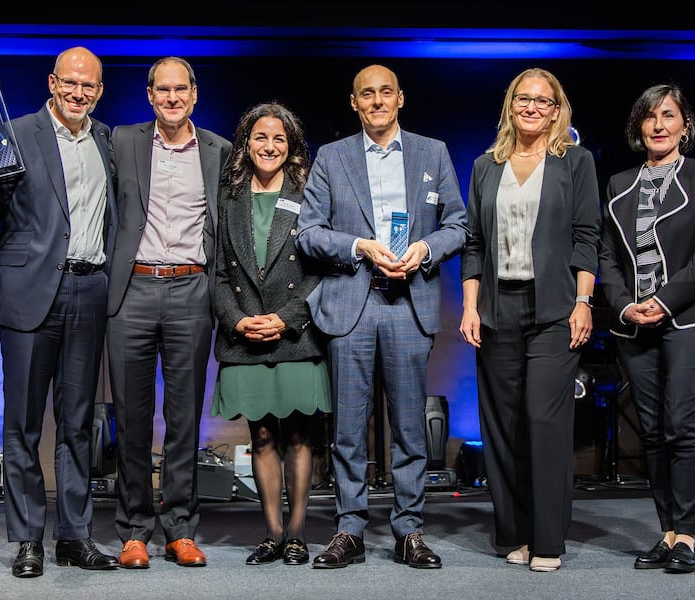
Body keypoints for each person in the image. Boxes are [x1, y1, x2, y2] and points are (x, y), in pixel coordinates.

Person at [0, 46, 119, 578]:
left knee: (76, 424)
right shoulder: (13, 133)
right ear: (52, 82)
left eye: (88, 85)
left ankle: (74, 536)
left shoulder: (108, 141)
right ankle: (28, 541)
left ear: (99, 91)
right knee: (22, 424)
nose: (78, 93)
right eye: (70, 82)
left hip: (89, 292)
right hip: (28, 294)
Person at [296, 64, 467, 570]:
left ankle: (409, 530)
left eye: (384, 93)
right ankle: (349, 529)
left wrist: (425, 249)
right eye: (366, 94)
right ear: (354, 103)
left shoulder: (432, 152)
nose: (376, 101)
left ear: (400, 99)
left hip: (408, 302)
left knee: (410, 427)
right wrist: (359, 246)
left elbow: (458, 224)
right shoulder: (332, 156)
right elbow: (308, 232)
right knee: (348, 428)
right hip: (352, 301)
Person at [458, 67, 601, 573]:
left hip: (554, 309)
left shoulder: (575, 162)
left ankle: (548, 540)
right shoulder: (484, 166)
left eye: (544, 101)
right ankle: (513, 533)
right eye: (525, 99)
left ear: (558, 109)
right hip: (497, 308)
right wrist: (470, 306)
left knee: (544, 421)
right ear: (510, 105)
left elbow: (588, 236)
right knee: (501, 426)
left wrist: (584, 301)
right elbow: (473, 243)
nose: (533, 108)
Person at [106, 56, 232, 569]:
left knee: (184, 418)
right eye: (164, 90)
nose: (173, 97)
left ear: (194, 95)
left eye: (181, 89)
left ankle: (179, 528)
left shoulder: (220, 150)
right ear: (150, 95)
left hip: (191, 289)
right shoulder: (123, 140)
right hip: (133, 287)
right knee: (132, 418)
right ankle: (134, 529)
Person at [599, 83, 695, 574]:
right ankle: (667, 532)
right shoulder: (618, 185)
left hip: (691, 315)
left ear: (684, 125)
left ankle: (688, 536)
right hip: (635, 323)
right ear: (638, 128)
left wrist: (663, 300)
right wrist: (624, 306)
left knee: (682, 423)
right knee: (652, 432)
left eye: (668, 115)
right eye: (649, 117)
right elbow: (606, 255)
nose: (658, 125)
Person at [211, 102, 331, 566]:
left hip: (295, 334)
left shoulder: (310, 195)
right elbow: (219, 273)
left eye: (279, 138)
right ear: (247, 143)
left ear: (292, 147)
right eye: (261, 137)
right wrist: (237, 320)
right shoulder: (230, 196)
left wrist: (286, 317)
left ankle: (298, 534)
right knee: (261, 438)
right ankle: (272, 533)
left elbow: (322, 270)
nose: (269, 146)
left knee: (299, 438)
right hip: (244, 335)